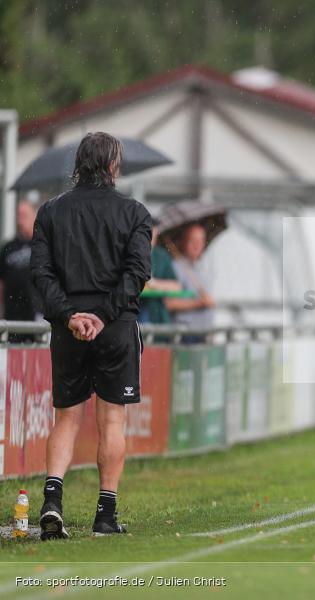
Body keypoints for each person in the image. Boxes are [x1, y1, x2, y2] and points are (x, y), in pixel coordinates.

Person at [30, 132, 152, 539]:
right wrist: (100, 315)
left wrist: (70, 316)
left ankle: (52, 502)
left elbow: (41, 275)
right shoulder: (134, 212)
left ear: (78, 164)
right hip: (115, 325)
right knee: (111, 420)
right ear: (113, 165)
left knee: (66, 418)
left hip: (68, 328)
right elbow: (137, 275)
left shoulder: (50, 211)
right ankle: (105, 514)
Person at [0, 199, 41, 342]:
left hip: (36, 314)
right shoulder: (9, 247)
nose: (20, 219)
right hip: (12, 315)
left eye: (24, 215)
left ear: (34, 216)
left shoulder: (42, 244)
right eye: (18, 215)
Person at [166, 223, 215, 330]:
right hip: (186, 333)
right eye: (193, 240)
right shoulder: (176, 268)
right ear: (184, 242)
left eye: (201, 240)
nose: (197, 245)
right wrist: (198, 303)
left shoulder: (202, 267)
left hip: (205, 331)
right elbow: (169, 303)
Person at [138, 218, 181, 325]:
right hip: (136, 313)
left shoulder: (161, 255)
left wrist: (154, 283)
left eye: (154, 233)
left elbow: (176, 286)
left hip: (158, 314)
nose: (151, 237)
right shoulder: (132, 253)